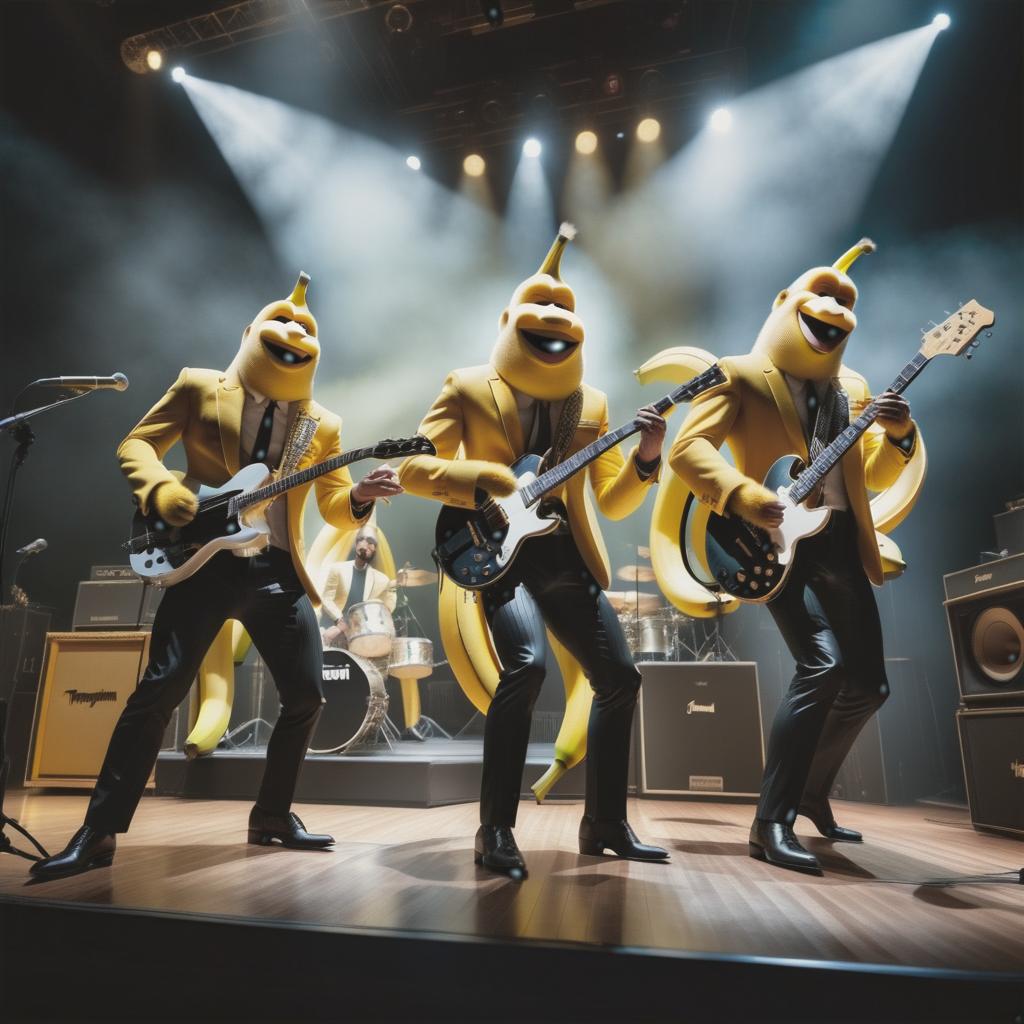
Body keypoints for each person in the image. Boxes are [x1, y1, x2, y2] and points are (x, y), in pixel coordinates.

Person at [31, 273, 402, 880]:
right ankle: (97, 833)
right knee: (158, 692)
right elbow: (137, 445)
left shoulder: (323, 424)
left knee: (307, 695)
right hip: (201, 564)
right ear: (249, 333)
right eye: (281, 326)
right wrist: (162, 490)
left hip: (278, 572)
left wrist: (359, 494)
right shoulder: (200, 386)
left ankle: (273, 816)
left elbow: (335, 505)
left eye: (305, 333)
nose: (292, 336)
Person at [399, 224, 669, 878]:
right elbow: (413, 470)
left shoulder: (593, 403)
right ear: (508, 321)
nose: (553, 324)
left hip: (564, 555)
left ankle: (604, 824)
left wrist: (648, 457)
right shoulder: (466, 387)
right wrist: (490, 480)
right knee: (527, 666)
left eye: (566, 315)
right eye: (540, 313)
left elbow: (611, 500)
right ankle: (494, 830)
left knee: (620, 680)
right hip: (494, 549)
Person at [668, 240, 918, 876]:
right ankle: (769, 822)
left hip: (837, 541)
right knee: (822, 666)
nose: (834, 309)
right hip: (772, 542)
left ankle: (810, 793)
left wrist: (899, 436)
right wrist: (746, 496)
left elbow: (868, 472)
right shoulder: (741, 374)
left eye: (844, 304)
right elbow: (687, 450)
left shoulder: (852, 389)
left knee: (869, 684)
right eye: (824, 297)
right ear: (788, 305)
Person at [320, 524, 396, 649]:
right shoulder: (337, 569)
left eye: (370, 541)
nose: (364, 544)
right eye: (361, 539)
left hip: (360, 635)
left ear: (375, 548)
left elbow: (386, 608)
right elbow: (326, 599)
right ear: (355, 544)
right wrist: (339, 621)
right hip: (332, 629)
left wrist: (395, 585)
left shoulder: (381, 580)